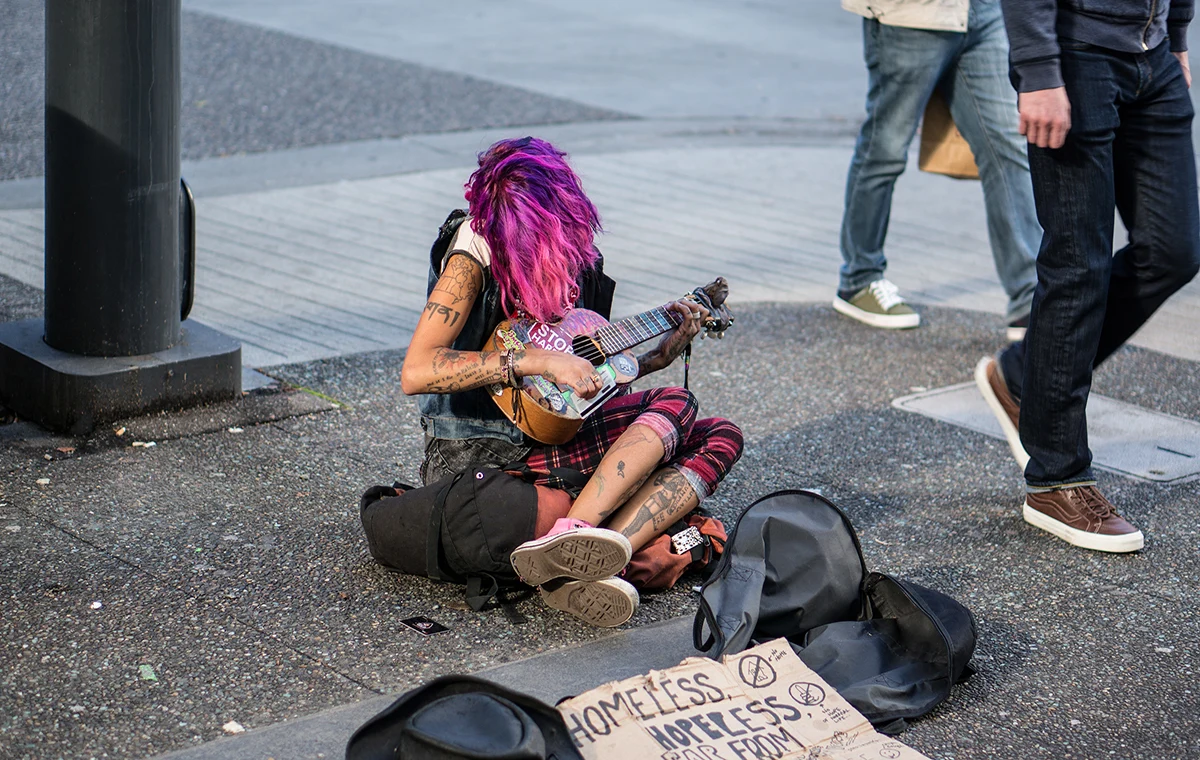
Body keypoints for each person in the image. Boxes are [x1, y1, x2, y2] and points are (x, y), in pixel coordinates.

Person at [400, 137, 744, 627]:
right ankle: (582, 535)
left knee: (721, 434)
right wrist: (532, 362)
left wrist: (650, 360)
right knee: (677, 404)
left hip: (552, 439)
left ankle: (596, 556)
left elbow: (579, 387)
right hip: (477, 452)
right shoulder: (472, 251)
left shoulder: (571, 258)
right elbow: (416, 371)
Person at [976, 0, 1200, 552]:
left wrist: (1176, 33)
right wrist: (1038, 71)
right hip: (1076, 57)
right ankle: (1056, 478)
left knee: (1174, 250)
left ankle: (1028, 375)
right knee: (1078, 264)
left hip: (1152, 55)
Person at [836, 0, 1040, 338]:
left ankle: (1029, 297)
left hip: (984, 13)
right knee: (885, 150)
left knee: (1007, 147)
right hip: (910, 17)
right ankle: (859, 279)